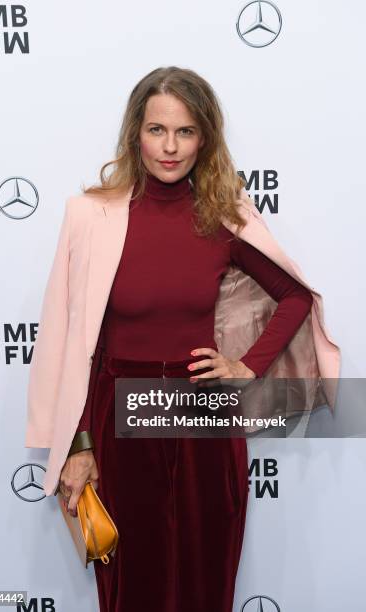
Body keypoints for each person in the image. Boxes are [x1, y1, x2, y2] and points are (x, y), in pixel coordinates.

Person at [26, 66, 340, 612]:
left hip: (204, 416)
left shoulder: (224, 217)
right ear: (135, 134)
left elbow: (295, 297)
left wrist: (247, 365)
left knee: (208, 577)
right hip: (122, 413)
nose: (170, 147)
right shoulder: (90, 215)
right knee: (130, 585)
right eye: (156, 130)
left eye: (186, 132)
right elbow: (70, 340)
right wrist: (79, 444)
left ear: (205, 139)